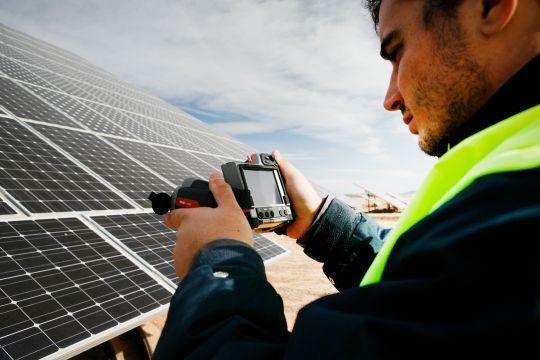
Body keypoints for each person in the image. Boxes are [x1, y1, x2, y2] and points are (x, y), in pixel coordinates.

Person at [154, 0, 539, 358]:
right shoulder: (512, 196)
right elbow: (442, 293)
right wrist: (322, 224)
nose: (389, 98)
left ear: (490, 6)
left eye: (397, 50)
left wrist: (221, 260)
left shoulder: (519, 213)